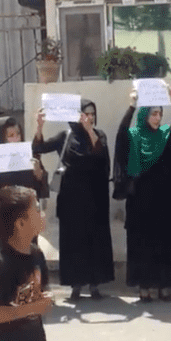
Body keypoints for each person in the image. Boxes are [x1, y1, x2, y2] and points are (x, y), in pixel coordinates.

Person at [113, 84, 171, 302]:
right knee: (142, 243)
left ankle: (164, 285)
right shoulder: (134, 136)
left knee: (166, 241)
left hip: (167, 199)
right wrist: (131, 106)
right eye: (153, 113)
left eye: (159, 113)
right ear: (144, 115)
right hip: (141, 201)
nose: (157, 118)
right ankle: (144, 286)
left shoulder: (167, 134)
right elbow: (120, 135)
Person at [32, 99, 114, 301]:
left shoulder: (99, 134)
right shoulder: (66, 136)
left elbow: (100, 153)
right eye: (85, 114)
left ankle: (94, 285)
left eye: (92, 114)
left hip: (95, 199)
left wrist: (90, 131)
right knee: (73, 241)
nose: (89, 118)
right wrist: (39, 126)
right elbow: (39, 147)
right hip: (72, 199)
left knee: (95, 240)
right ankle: (76, 284)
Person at [0, 186, 56, 341]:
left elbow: (39, 291)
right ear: (21, 223)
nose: (43, 214)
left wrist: (46, 297)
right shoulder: (4, 263)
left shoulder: (36, 254)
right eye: (37, 209)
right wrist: (32, 309)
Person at [0, 117, 48, 242]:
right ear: (1, 137)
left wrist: (39, 173)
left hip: (26, 215)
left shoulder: (27, 154)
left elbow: (41, 183)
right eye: (11, 135)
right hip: (4, 218)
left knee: (28, 254)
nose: (16, 139)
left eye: (18, 134)